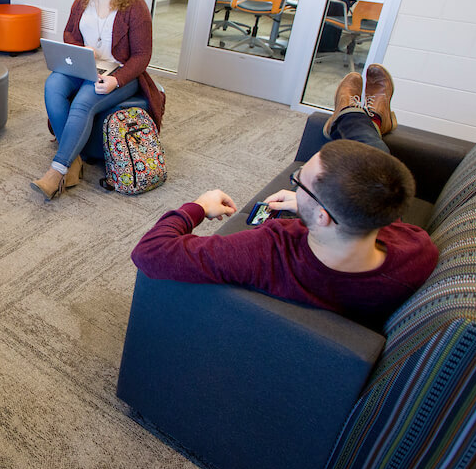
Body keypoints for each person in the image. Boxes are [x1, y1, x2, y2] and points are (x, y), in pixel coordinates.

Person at [131, 65, 438, 330]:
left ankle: (351, 114)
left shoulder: (269, 251)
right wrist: (305, 203)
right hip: (339, 221)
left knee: (374, 153)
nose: (296, 187)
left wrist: (197, 206)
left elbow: (149, 252)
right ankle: (360, 117)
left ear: (323, 216)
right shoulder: (417, 252)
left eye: (299, 184)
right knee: (376, 158)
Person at [32, 0, 166, 200]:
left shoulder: (135, 7)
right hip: (85, 65)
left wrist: (116, 81)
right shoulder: (83, 0)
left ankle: (57, 170)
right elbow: (70, 33)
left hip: (120, 72)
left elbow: (142, 56)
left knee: (83, 101)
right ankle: (75, 161)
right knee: (53, 85)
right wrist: (82, 49)